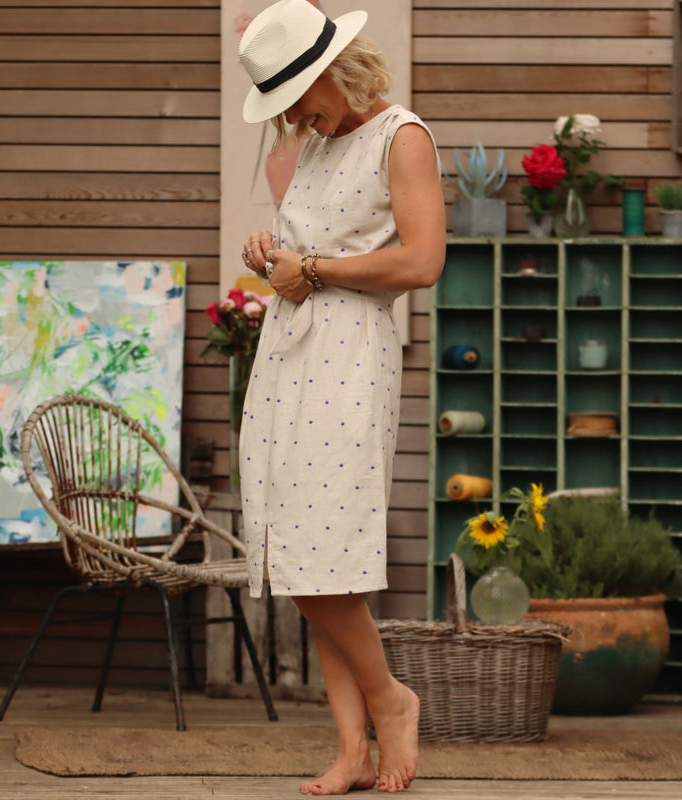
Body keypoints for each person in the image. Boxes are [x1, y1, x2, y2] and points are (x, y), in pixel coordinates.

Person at [236, 0, 445, 794]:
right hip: (288, 359)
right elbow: (308, 254)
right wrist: (271, 253)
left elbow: (421, 261)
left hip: (348, 361)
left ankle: (392, 702)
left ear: (333, 69)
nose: (293, 117)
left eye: (296, 98)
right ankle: (352, 748)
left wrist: (314, 270)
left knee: (323, 558)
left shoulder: (402, 137)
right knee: (302, 555)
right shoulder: (318, 146)